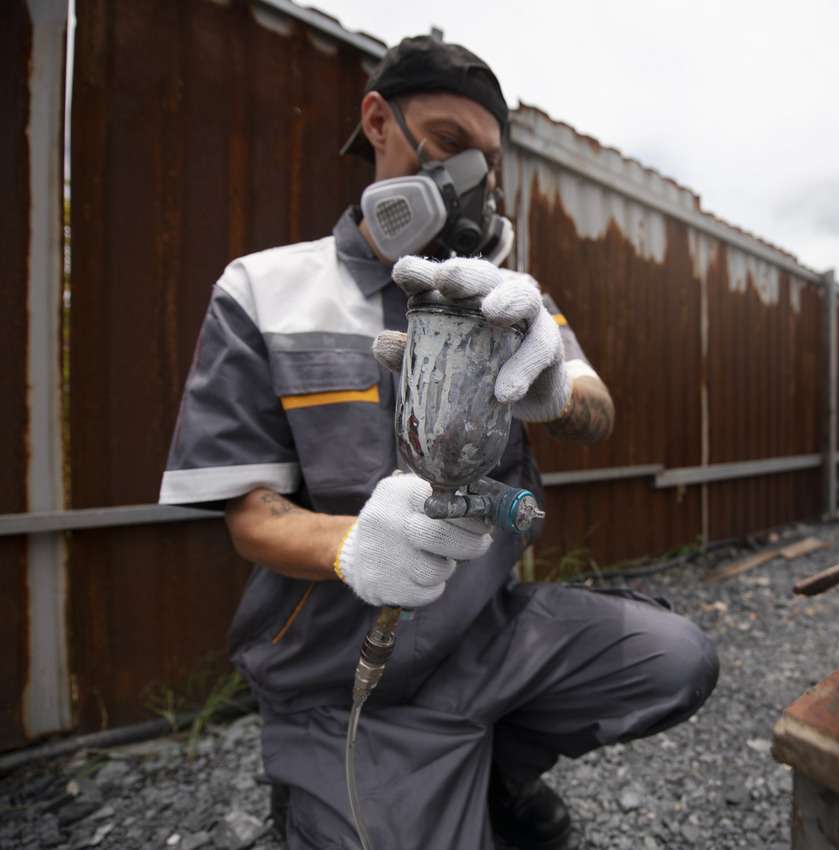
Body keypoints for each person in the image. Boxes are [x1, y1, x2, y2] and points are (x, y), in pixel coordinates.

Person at [159, 35, 718, 850]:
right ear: (379, 122)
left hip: (487, 640)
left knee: (673, 659)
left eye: (487, 161)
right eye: (451, 145)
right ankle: (344, 787)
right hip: (342, 675)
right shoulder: (266, 289)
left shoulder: (504, 296)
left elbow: (595, 407)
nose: (471, 181)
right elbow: (251, 516)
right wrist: (352, 545)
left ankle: (494, 770)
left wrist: (550, 385)